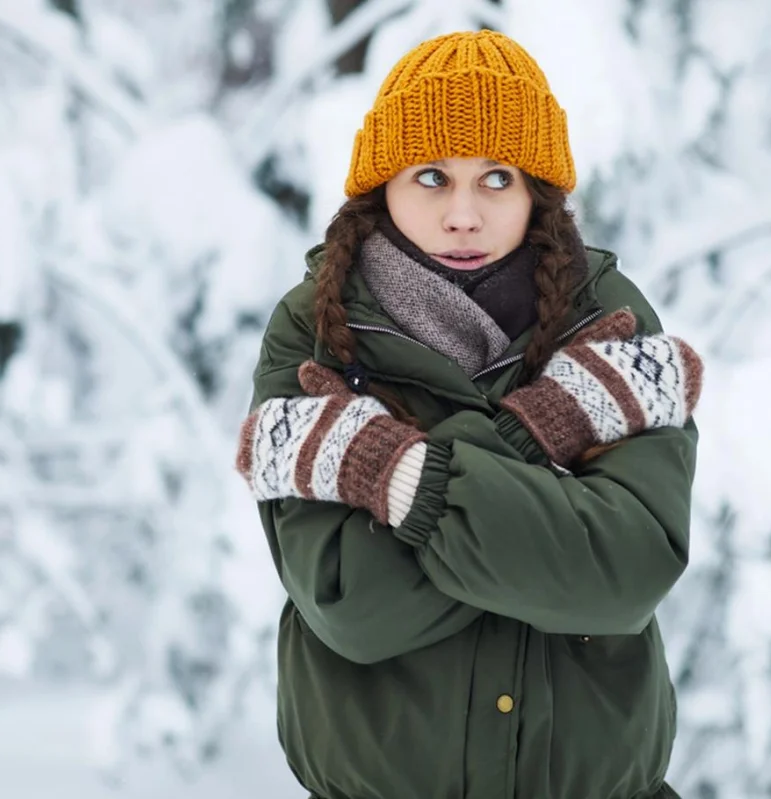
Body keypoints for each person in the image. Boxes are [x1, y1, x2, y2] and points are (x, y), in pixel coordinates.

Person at [235, 28, 702, 799]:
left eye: (496, 179)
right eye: (431, 176)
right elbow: (356, 604)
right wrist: (536, 435)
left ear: (535, 192)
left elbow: (621, 575)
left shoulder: (608, 326)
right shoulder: (315, 332)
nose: (463, 214)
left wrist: (395, 472)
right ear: (382, 183)